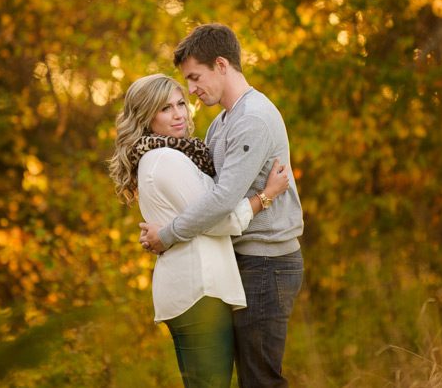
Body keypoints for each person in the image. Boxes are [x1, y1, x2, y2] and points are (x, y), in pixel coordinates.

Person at [139, 24, 305, 388]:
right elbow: (203, 188)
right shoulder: (222, 124)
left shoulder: (253, 119)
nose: (193, 89)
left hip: (268, 262)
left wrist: (167, 234)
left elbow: (221, 199)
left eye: (195, 77)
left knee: (261, 379)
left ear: (221, 64)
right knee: (250, 378)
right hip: (246, 260)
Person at [109, 73, 290, 388]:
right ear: (145, 116)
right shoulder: (166, 159)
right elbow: (221, 219)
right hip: (198, 289)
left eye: (181, 104)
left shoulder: (172, 155)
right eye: (165, 108)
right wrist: (266, 196)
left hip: (193, 288)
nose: (179, 114)